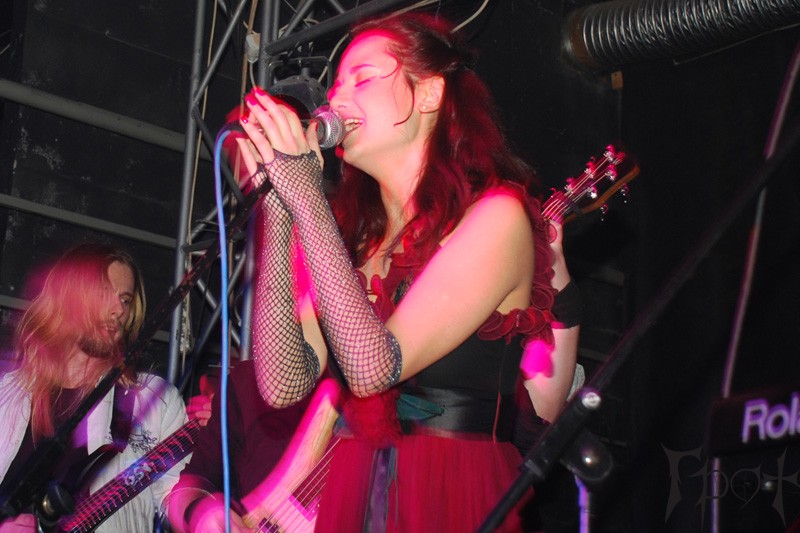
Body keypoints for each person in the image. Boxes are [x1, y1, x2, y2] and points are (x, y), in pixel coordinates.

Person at [235, 11, 582, 532]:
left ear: (429, 94)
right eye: (336, 84)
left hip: (449, 491)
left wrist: (305, 193)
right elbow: (284, 383)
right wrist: (278, 209)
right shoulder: (356, 240)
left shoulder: (498, 216)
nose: (337, 98)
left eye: (363, 78)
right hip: (357, 487)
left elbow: (374, 367)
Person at [0, 243, 189, 532]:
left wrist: (204, 508)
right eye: (103, 293)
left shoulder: (154, 401)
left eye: (125, 299)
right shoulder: (7, 393)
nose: (118, 310)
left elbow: (178, 495)